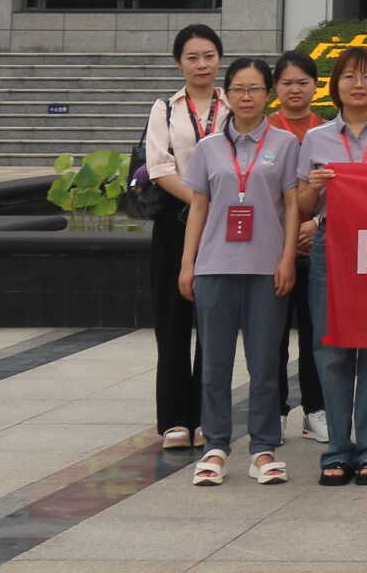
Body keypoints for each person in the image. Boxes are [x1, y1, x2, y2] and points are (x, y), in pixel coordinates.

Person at [179, 56, 302, 486]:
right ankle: (215, 446)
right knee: (214, 363)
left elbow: (291, 205)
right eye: (238, 89)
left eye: (254, 89)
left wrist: (287, 258)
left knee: (265, 363)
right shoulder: (209, 146)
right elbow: (199, 206)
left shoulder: (285, 144)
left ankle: (263, 448)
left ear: (268, 94)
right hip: (215, 266)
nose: (246, 97)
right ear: (226, 94)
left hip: (266, 268)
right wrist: (188, 263)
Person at [295, 45, 367, 485]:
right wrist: (315, 187)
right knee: (332, 349)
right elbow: (302, 205)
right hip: (333, 246)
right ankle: (338, 449)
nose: (359, 85)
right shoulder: (317, 138)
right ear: (335, 85)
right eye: (349, 76)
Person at [144, 23, 225, 450]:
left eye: (209, 56)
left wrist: (214, 208)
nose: (202, 64)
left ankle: (207, 416)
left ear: (219, 59)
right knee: (173, 323)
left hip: (225, 228)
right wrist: (201, 202)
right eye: (193, 57)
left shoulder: (232, 105)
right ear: (179, 63)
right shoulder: (165, 109)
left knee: (214, 325)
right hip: (176, 223)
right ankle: (174, 419)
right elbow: (160, 168)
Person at [266, 52, 328, 446]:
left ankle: (315, 410)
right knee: (271, 335)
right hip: (273, 248)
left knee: (315, 335)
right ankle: (273, 410)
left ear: (315, 86)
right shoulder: (265, 130)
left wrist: (316, 224)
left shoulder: (328, 130)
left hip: (317, 245)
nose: (295, 90)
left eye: (303, 82)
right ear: (275, 87)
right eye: (287, 83)